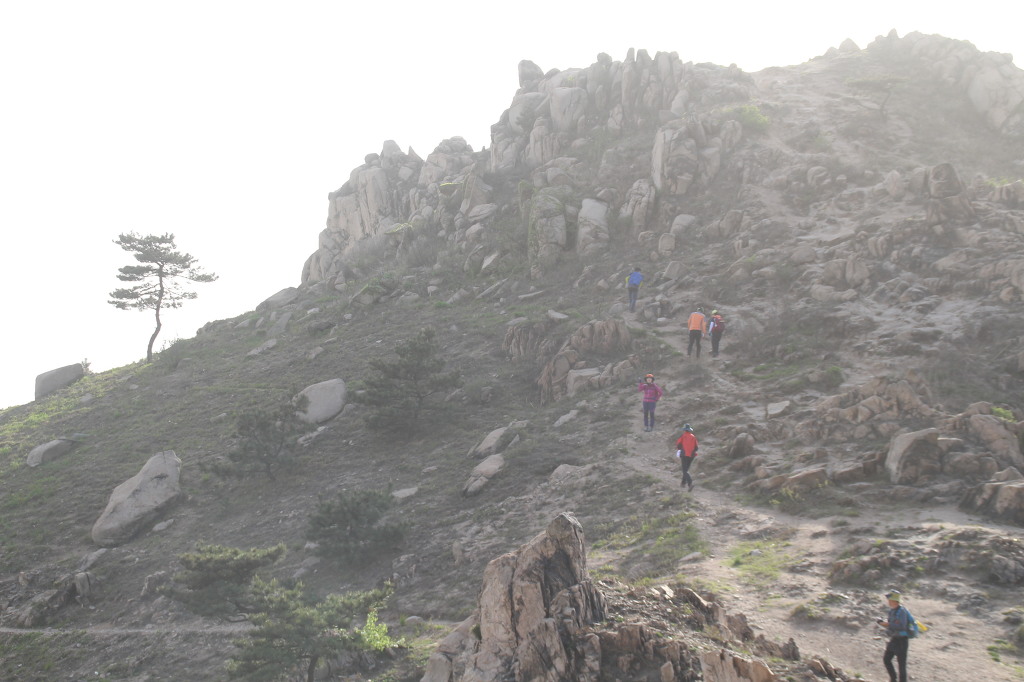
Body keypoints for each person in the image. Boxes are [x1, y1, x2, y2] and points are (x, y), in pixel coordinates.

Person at [877, 590, 912, 682]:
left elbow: (902, 626)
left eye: (890, 599)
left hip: (902, 641)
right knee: (886, 659)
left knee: (901, 666)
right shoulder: (892, 611)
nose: (888, 601)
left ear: (894, 600)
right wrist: (883, 624)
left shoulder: (902, 611)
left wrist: (887, 624)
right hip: (894, 639)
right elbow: (892, 625)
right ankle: (893, 679)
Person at [675, 424, 698, 491]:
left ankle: (690, 484)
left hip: (684, 454)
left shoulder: (683, 436)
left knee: (684, 470)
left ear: (684, 430)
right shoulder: (693, 437)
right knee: (686, 469)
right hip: (691, 455)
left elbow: (678, 445)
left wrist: (680, 449)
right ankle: (683, 483)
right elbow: (696, 447)